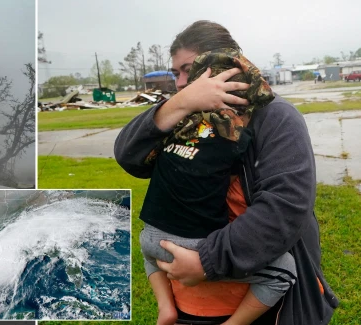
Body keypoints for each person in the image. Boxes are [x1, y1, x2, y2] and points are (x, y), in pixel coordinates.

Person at [114, 20, 338, 324]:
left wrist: (206, 262)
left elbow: (285, 207)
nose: (179, 82)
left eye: (187, 69)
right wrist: (179, 104)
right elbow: (130, 157)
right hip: (189, 306)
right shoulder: (184, 113)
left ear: (223, 63)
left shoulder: (275, 117)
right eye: (175, 73)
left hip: (268, 309)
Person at [139, 47, 297, 325]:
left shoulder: (175, 124)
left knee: (151, 254)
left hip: (149, 239)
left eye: (185, 72)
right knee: (285, 269)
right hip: (189, 247)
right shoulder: (235, 139)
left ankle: (165, 308)